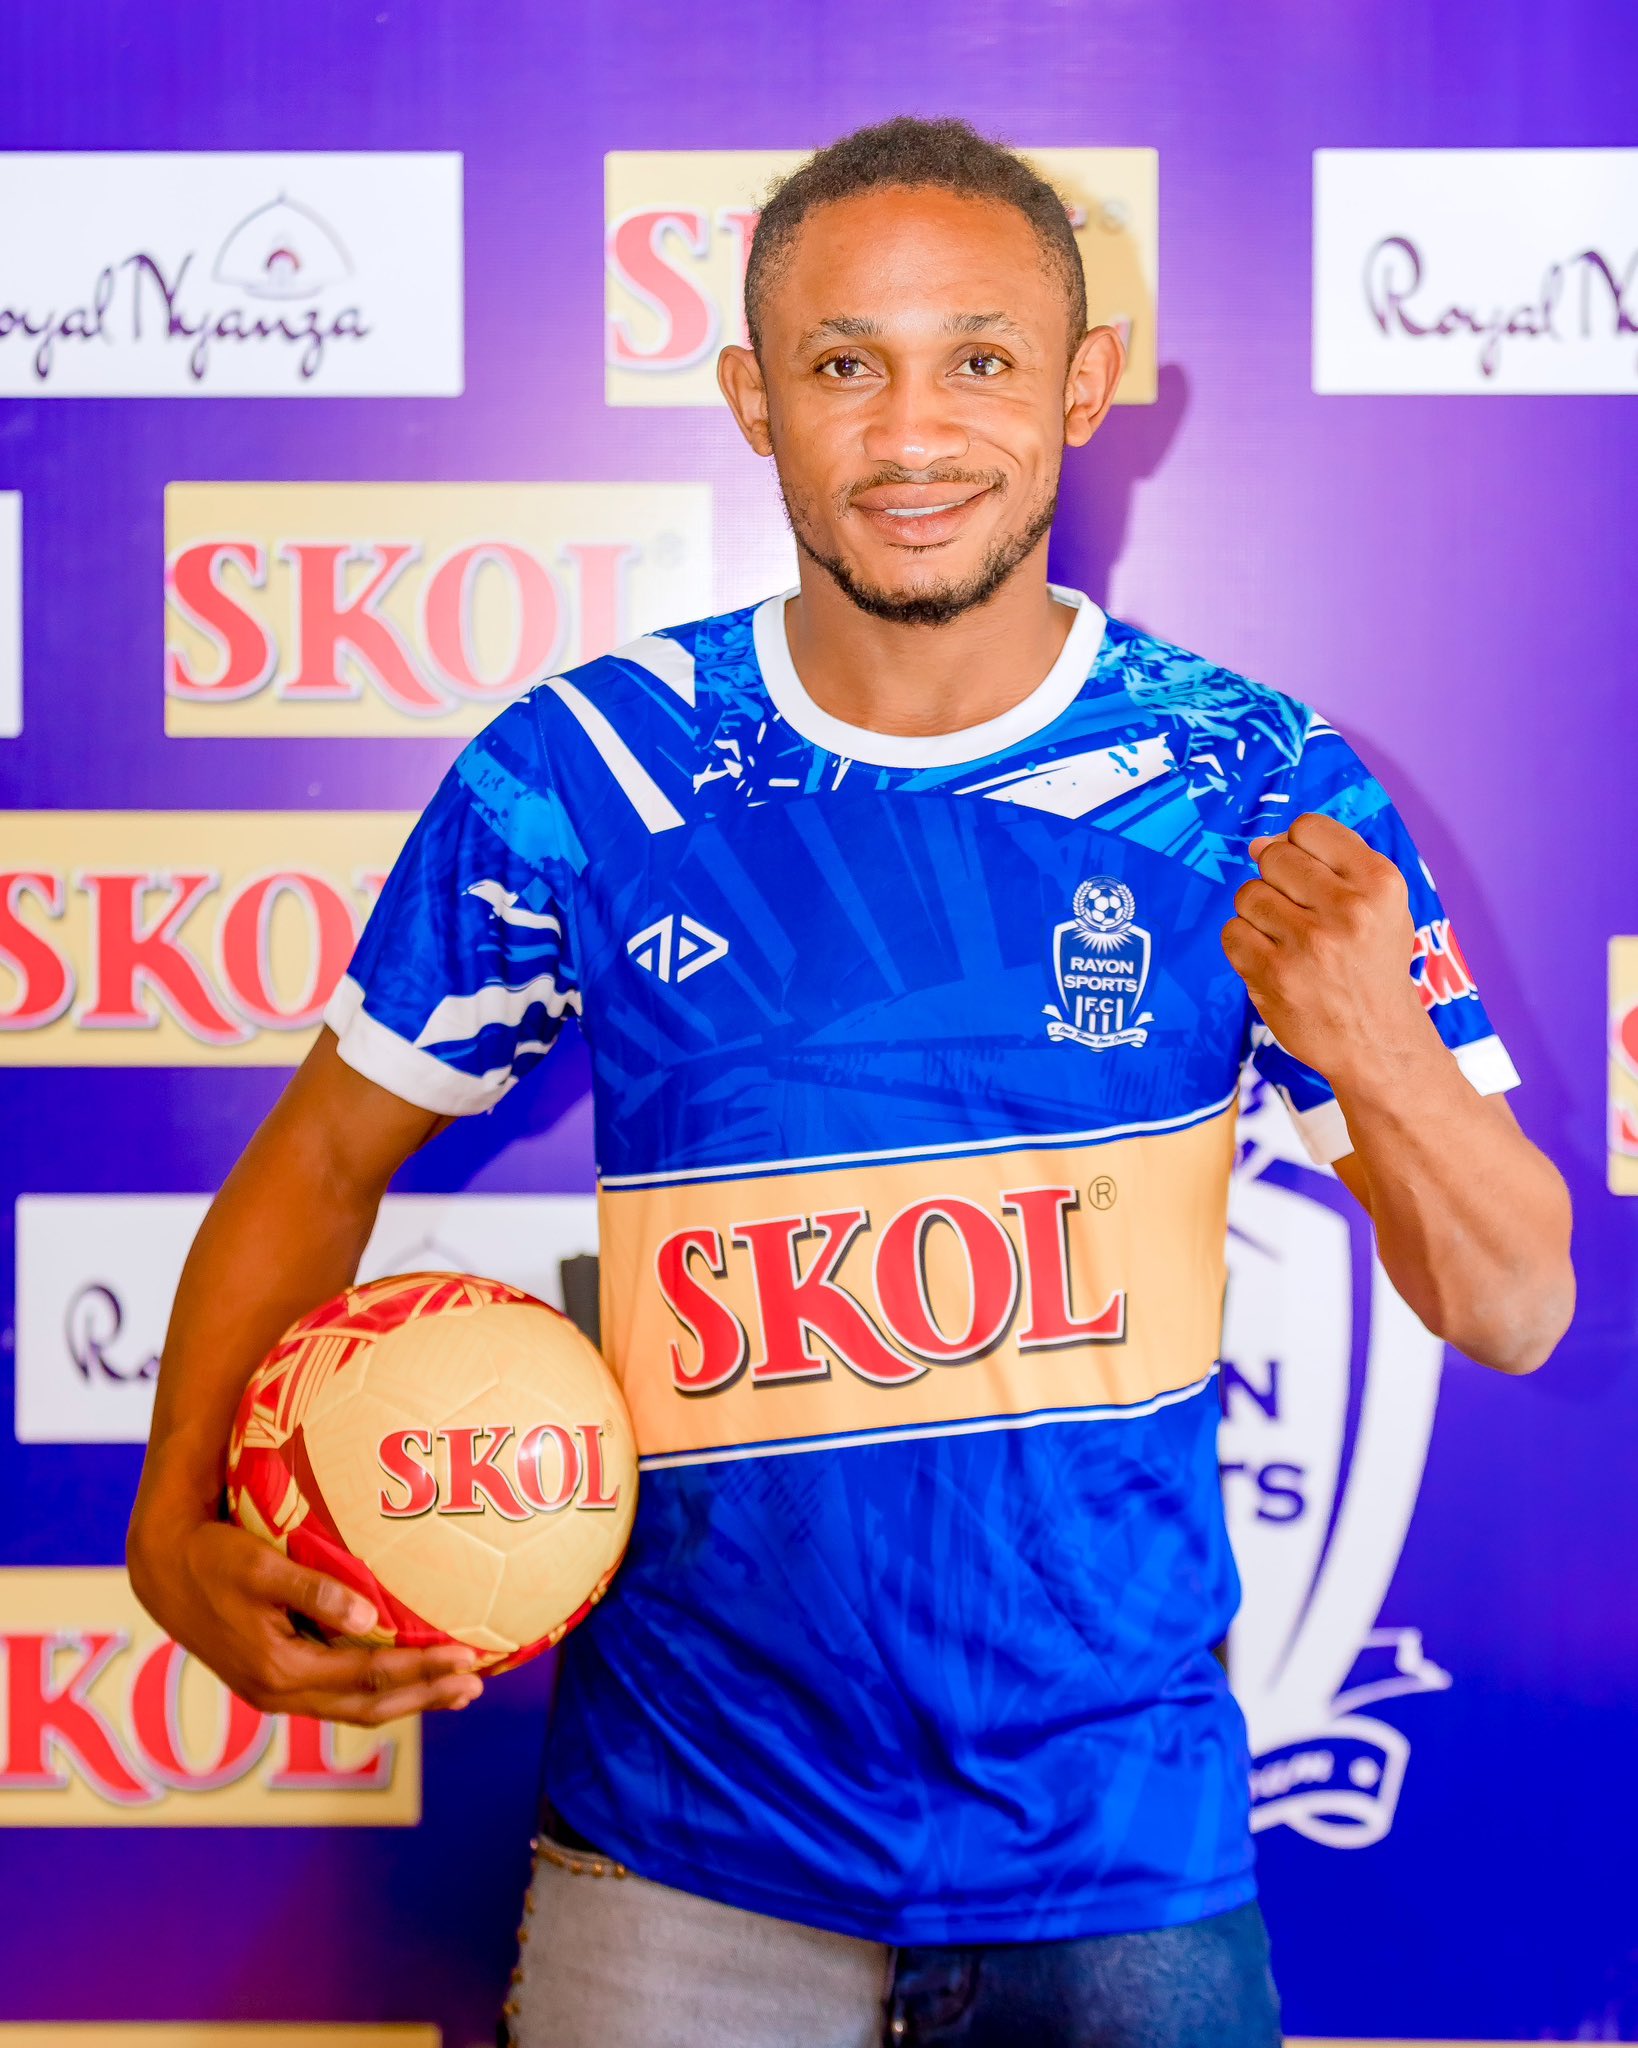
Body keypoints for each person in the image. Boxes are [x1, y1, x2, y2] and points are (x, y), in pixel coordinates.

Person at [128, 117, 1574, 2048]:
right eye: (842, 365)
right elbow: (321, 1156)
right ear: (753, 400)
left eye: (978, 358)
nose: (911, 433)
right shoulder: (586, 771)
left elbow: (1513, 1303)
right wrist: (171, 1527)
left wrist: (1378, 1044)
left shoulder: (1245, 786)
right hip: (677, 1855)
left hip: (1119, 1861)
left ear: (1079, 388)